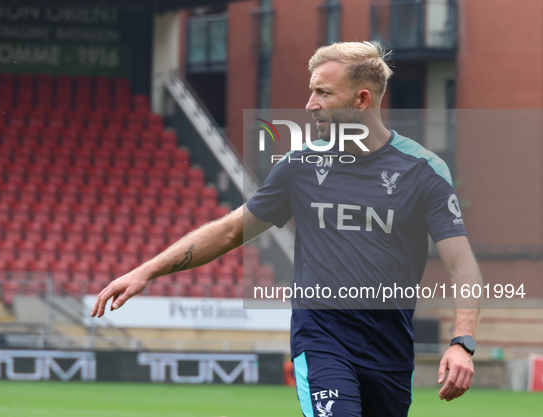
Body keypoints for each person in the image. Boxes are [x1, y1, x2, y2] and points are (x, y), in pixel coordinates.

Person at [91, 41, 481, 417]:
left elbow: (462, 267)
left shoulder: (424, 171)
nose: (310, 105)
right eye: (311, 92)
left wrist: (462, 343)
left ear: (361, 100)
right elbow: (230, 231)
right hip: (322, 337)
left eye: (323, 93)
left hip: (391, 351)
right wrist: (147, 270)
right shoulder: (299, 166)